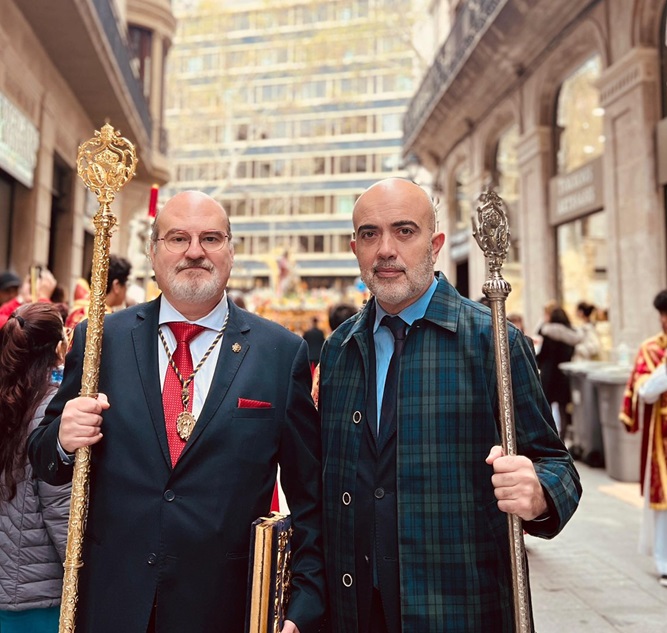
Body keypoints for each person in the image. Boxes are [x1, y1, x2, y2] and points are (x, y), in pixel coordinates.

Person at [28, 191, 325, 633]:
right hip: (113, 603)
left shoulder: (280, 353)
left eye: (211, 238)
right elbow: (43, 458)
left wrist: (303, 604)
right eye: (178, 238)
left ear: (231, 251)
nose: (194, 251)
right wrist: (61, 438)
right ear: (153, 253)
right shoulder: (100, 339)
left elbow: (309, 496)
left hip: (224, 609)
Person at [318, 178, 581, 633]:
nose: (385, 250)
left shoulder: (493, 341)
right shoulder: (338, 350)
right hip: (354, 610)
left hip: (460, 609)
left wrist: (539, 491)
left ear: (435, 245)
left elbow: (557, 465)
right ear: (355, 248)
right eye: (369, 234)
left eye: (405, 231)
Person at [0, 302, 70, 630]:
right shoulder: (52, 412)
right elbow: (60, 508)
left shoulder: (11, 398)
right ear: (58, 348)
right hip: (37, 591)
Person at [620, 289, 667, 588]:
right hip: (662, 437)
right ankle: (665, 563)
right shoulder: (650, 350)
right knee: (664, 503)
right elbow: (644, 392)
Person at [537, 305, 578, 441]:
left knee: (546, 407)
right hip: (564, 374)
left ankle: (549, 437)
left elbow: (543, 354)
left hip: (549, 374)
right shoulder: (572, 335)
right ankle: (563, 437)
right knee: (563, 408)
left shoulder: (548, 334)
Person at [65, 255, 132, 331]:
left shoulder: (78, 308)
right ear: (116, 285)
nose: (126, 289)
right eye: (127, 284)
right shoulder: (104, 319)